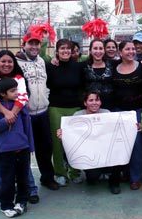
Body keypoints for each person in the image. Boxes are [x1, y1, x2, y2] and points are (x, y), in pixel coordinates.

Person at [0, 50, 39, 205]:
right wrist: (6, 113)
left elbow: (23, 96)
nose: (6, 64)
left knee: (23, 158)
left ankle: (30, 189)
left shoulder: (19, 78)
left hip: (18, 121)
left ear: (14, 63)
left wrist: (12, 113)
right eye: (3, 61)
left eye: (10, 61)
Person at [16, 29, 59, 193]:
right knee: (24, 150)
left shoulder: (42, 61)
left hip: (42, 112)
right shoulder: (16, 61)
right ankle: (25, 185)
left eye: (36, 43)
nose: (34, 46)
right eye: (30, 43)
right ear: (24, 44)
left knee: (46, 148)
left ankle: (47, 178)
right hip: (25, 114)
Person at [0, 78, 34, 217]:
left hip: (23, 148)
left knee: (23, 177)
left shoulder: (20, 107)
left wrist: (29, 145)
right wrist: (5, 121)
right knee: (7, 178)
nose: (16, 93)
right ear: (2, 93)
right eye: (13, 91)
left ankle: (21, 202)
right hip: (6, 151)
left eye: (16, 89)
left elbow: (27, 127)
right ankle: (6, 205)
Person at [57, 91, 121, 194]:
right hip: (89, 155)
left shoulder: (107, 113)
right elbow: (71, 137)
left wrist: (132, 126)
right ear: (85, 103)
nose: (94, 103)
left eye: (97, 100)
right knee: (92, 178)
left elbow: (117, 130)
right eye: (91, 100)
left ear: (100, 102)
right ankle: (94, 174)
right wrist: (62, 135)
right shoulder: (77, 115)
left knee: (118, 153)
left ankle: (114, 183)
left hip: (106, 151)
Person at [46, 38, 85, 186]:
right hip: (56, 108)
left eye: (68, 49)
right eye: (62, 49)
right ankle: (60, 173)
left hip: (75, 108)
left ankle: (75, 171)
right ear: (57, 51)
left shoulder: (78, 66)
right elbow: (40, 55)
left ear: (72, 51)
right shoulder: (50, 66)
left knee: (74, 142)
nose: (65, 51)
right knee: (57, 142)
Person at [112, 40, 142, 190]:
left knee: (136, 146)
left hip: (137, 112)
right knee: (119, 144)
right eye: (127, 49)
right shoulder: (113, 67)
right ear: (120, 52)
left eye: (133, 49)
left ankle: (135, 177)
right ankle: (122, 173)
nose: (131, 51)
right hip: (118, 111)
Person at [82, 38, 114, 110]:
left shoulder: (112, 64)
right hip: (91, 107)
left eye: (101, 48)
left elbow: (126, 62)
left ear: (104, 50)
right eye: (95, 48)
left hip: (110, 105)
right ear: (90, 51)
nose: (98, 51)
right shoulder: (83, 66)